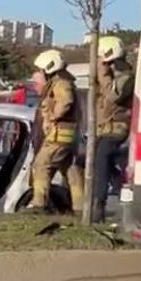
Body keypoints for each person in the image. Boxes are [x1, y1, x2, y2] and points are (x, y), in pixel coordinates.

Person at [27, 49, 84, 214]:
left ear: (49, 68)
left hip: (60, 135)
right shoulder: (62, 82)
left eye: (41, 70)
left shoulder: (61, 83)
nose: (40, 72)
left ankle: (39, 205)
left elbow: (66, 102)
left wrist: (52, 116)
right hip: (65, 136)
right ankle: (80, 208)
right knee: (71, 171)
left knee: (41, 165)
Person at [93, 36, 135, 223]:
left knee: (102, 163)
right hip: (106, 128)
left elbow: (112, 97)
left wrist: (102, 72)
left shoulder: (125, 76)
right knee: (112, 168)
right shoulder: (113, 74)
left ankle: (98, 208)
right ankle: (120, 208)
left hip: (116, 129)